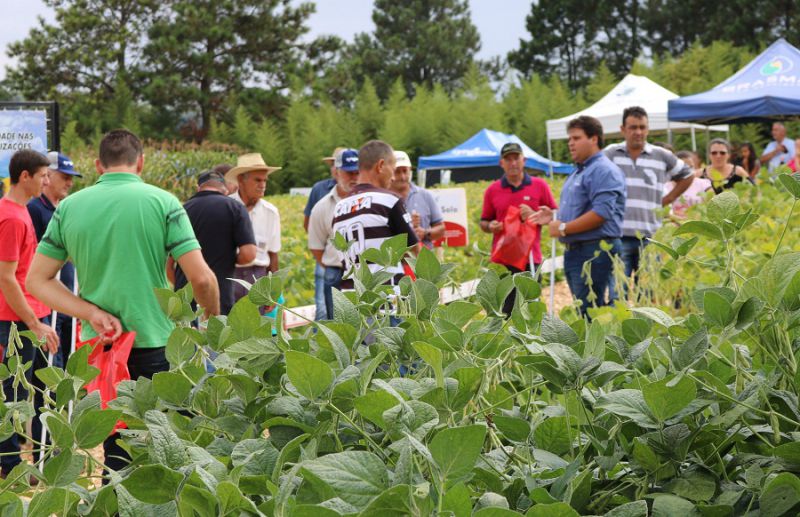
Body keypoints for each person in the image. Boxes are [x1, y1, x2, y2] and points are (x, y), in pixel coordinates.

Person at [27, 129, 219, 480]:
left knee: (118, 451)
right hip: (161, 343)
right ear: (141, 162)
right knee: (171, 446)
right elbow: (203, 279)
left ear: (99, 165)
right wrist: (209, 323)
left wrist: (91, 313)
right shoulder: (164, 203)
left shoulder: (69, 207)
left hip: (103, 346)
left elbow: (37, 280)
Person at [532, 116, 626, 316]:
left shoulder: (603, 170)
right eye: (569, 139)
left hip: (595, 251)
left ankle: (599, 348)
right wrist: (554, 216)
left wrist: (564, 228)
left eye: (576, 138)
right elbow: (581, 210)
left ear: (594, 139)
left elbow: (602, 213)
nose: (570, 143)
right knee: (584, 311)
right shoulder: (579, 172)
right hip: (578, 251)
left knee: (593, 314)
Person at [0, 150, 58, 477]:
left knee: (36, 393)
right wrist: (35, 323)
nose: (46, 181)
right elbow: (6, 277)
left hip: (25, 317)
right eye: (42, 175)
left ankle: (41, 460)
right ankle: (9, 466)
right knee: (15, 395)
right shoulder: (10, 217)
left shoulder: (18, 212)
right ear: (25, 176)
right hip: (15, 322)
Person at [604, 106, 693, 282]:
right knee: (617, 291)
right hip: (618, 235)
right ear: (623, 129)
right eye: (633, 127)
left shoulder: (661, 155)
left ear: (648, 129)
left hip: (650, 236)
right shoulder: (611, 154)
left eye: (642, 127)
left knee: (649, 292)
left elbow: (688, 174)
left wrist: (669, 198)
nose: (638, 132)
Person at [480, 142, 558, 313]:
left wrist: (534, 214)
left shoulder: (539, 186)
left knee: (530, 307)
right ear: (501, 163)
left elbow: (553, 214)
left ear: (524, 160)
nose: (513, 163)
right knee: (505, 309)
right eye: (508, 159)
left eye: (516, 158)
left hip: (531, 257)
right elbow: (484, 222)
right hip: (503, 259)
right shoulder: (493, 190)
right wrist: (491, 226)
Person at [332, 140, 420, 288]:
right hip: (385, 299)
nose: (393, 178)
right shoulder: (388, 201)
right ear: (380, 166)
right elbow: (414, 251)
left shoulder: (339, 207)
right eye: (392, 170)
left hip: (351, 299)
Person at [168, 170, 256, 315]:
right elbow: (249, 254)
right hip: (219, 296)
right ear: (225, 190)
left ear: (198, 188)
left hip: (184, 300)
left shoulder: (181, 210)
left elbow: (168, 265)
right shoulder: (235, 208)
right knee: (216, 335)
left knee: (187, 336)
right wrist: (227, 260)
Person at [27, 152, 82, 367]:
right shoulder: (35, 209)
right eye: (65, 176)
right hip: (48, 300)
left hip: (68, 296)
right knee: (52, 361)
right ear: (47, 175)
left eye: (71, 178)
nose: (69, 183)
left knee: (68, 358)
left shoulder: (64, 209)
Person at [308, 149, 360, 319]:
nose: (353, 177)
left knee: (369, 328)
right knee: (338, 329)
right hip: (335, 273)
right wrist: (333, 263)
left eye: (357, 172)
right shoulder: (322, 206)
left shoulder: (370, 202)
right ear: (336, 172)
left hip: (365, 273)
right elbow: (316, 246)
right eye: (348, 172)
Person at [227, 153, 282, 311]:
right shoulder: (225, 207)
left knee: (257, 332)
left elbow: (273, 256)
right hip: (230, 277)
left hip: (258, 278)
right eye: (257, 180)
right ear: (240, 181)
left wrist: (273, 291)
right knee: (228, 331)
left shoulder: (271, 212)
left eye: (265, 180)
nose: (263, 185)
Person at [304, 148, 343, 321]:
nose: (336, 168)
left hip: (352, 263)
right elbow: (308, 222)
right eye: (334, 164)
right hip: (327, 257)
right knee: (322, 307)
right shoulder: (319, 189)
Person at [390, 150, 445, 249]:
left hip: (423, 260)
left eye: (405, 171)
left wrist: (425, 233)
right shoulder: (383, 198)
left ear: (410, 170)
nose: (402, 176)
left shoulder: (425, 195)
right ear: (390, 172)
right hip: (396, 261)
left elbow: (441, 228)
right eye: (397, 171)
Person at [666, 151, 712, 218]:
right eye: (685, 168)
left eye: (691, 167)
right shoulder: (666, 187)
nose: (689, 171)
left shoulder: (704, 184)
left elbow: (713, 204)